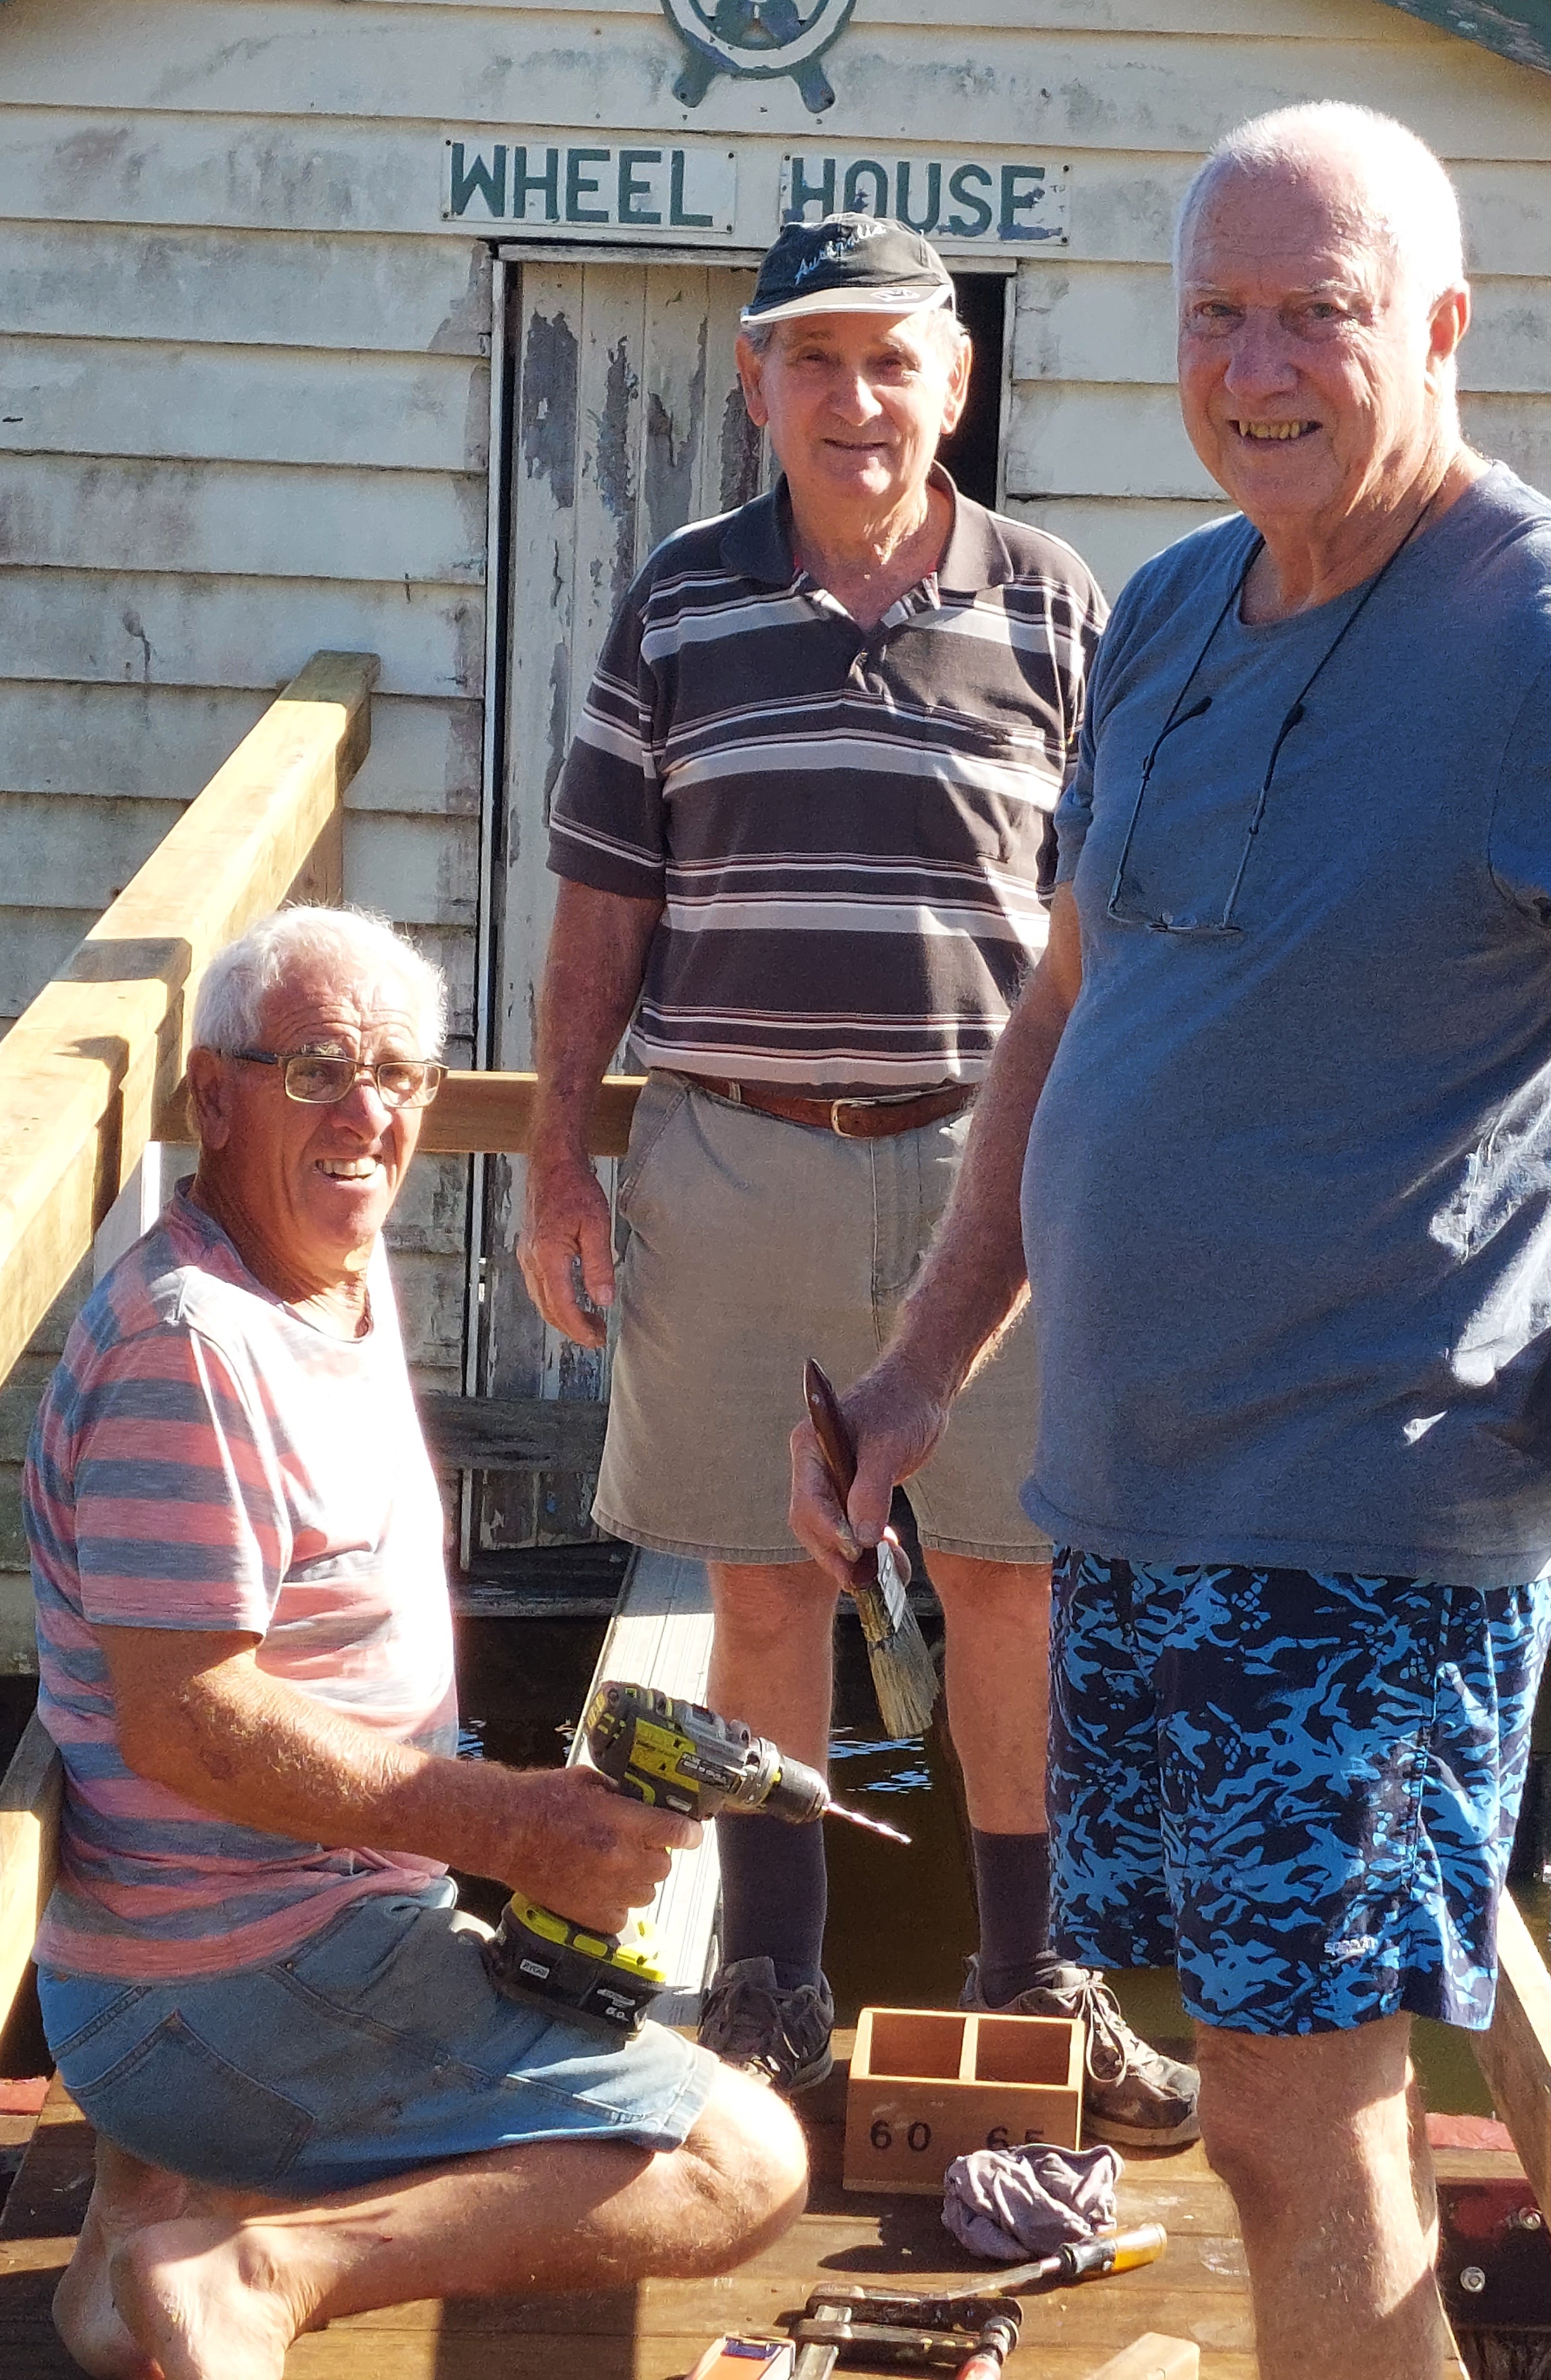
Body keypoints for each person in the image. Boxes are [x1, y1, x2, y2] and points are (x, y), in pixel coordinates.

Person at [789, 104, 1551, 2380]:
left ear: (1433, 329)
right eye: (1218, 313)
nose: (1259, 364)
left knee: (1303, 2121)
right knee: (1246, 2115)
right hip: (1140, 1483)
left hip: (1360, 1515)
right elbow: (1064, 1010)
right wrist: (936, 1361)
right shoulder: (1171, 609)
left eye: (1316, 314)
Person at [519, 212, 1197, 2143]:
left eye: (892, 360)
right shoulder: (676, 601)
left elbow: (1119, 924)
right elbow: (599, 904)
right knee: (755, 1581)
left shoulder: (1062, 601)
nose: (854, 398)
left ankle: (1030, 1969)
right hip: (732, 1154)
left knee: (1010, 1579)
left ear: (955, 384)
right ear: (756, 389)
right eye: (811, 360)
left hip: (993, 1188)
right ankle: (769, 1972)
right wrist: (559, 1160)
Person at [26, 905, 806, 2380]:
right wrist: (515, 1827)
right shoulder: (196, 1342)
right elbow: (185, 1719)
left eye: (403, 1075)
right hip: (231, 1977)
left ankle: (151, 2231)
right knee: (741, 2161)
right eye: (316, 1069)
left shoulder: (324, 1271)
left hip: (266, 1948)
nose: (370, 1116)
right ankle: (265, 2270)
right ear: (216, 1093)